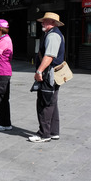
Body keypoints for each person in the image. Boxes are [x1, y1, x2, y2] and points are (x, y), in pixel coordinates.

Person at [29, 12, 66, 143]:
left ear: (53, 23)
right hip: (54, 74)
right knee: (52, 102)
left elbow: (49, 56)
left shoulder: (53, 35)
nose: (42, 23)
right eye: (43, 21)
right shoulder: (52, 34)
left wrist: (39, 71)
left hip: (49, 74)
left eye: (46, 21)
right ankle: (53, 132)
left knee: (44, 103)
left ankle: (44, 134)